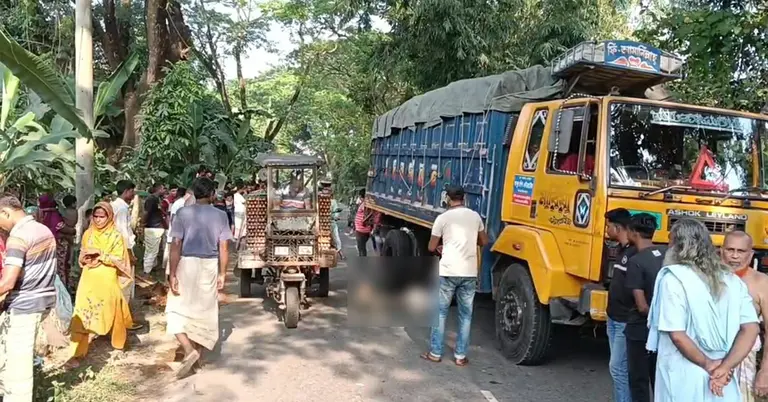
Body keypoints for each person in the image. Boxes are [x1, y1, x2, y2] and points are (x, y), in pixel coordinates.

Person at [647, 218, 759, 401]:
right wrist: (725, 367)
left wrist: (709, 364)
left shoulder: (673, 279)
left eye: (670, 241)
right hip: (723, 376)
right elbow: (751, 328)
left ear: (677, 246)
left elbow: (677, 335)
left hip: (683, 373)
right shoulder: (731, 279)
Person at [166, 177, 232, 379]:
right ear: (212, 194)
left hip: (186, 264)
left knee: (175, 310)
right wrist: (223, 273)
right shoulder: (221, 215)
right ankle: (197, 355)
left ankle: (189, 350)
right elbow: (224, 247)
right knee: (204, 312)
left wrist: (172, 273)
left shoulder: (182, 213)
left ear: (194, 193)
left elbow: (176, 244)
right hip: (209, 265)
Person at [420, 185, 488, 367]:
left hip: (448, 271)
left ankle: (435, 353)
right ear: (464, 198)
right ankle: (460, 356)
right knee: (465, 315)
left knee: (440, 313)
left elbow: (431, 247)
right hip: (469, 273)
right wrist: (468, 242)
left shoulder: (442, 218)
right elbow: (484, 241)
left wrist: (442, 246)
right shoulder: (475, 217)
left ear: (448, 199)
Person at [0, 193, 57, 401]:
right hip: (42, 300)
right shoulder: (42, 229)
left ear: (5, 212)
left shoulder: (18, 237)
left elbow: (8, 282)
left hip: (23, 304)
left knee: (17, 368)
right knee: (16, 357)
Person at [66, 202, 133, 367]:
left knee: (114, 309)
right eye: (95, 216)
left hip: (107, 277)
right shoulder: (88, 234)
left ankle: (118, 345)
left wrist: (101, 255)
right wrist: (85, 258)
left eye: (102, 216)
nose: (98, 219)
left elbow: (119, 259)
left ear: (109, 217)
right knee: (82, 312)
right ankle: (76, 353)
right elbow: (81, 255)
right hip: (89, 277)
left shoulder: (116, 236)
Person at [624, 213, 667, 402]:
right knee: (660, 379)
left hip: (640, 331)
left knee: (639, 380)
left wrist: (655, 318)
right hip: (665, 331)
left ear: (633, 233)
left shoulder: (636, 261)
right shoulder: (666, 254)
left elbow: (641, 306)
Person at [721, 231, 768, 400]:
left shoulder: (761, 282)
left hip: (745, 360)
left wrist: (765, 371)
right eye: (730, 250)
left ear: (750, 254)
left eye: (740, 251)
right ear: (721, 251)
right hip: (709, 358)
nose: (734, 256)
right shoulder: (708, 278)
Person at [604, 208, 635, 402]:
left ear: (617, 228)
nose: (606, 230)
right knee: (618, 368)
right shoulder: (621, 249)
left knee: (618, 368)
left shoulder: (633, 253)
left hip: (624, 320)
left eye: (608, 226)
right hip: (613, 318)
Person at [39, 194, 76, 289]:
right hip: (59, 244)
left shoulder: (39, 214)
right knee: (62, 266)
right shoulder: (54, 214)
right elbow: (61, 227)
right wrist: (73, 231)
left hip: (44, 244)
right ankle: (63, 288)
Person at [111, 180, 138, 306]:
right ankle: (123, 309)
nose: (133, 194)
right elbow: (123, 232)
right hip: (122, 249)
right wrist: (129, 253)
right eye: (132, 191)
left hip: (115, 247)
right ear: (126, 191)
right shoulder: (122, 209)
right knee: (125, 280)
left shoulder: (114, 205)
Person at [142, 183, 167, 279]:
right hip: (152, 227)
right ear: (159, 189)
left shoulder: (156, 199)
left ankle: (152, 267)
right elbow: (146, 212)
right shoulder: (151, 199)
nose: (165, 190)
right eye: (163, 188)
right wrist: (143, 223)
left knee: (154, 250)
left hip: (157, 227)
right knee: (151, 251)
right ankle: (146, 272)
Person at [163, 187, 189, 281]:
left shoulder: (177, 203)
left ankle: (168, 279)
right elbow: (173, 218)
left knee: (171, 260)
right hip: (175, 236)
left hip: (174, 235)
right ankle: (169, 280)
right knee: (173, 260)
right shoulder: (181, 203)